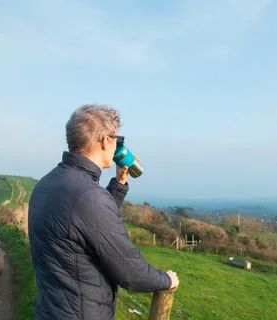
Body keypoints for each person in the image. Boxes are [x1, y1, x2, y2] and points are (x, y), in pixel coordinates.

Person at [28, 104, 179, 320]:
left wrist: (118, 183)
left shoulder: (48, 183)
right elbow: (130, 271)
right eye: (117, 138)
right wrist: (166, 280)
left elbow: (87, 227)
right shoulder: (89, 197)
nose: (117, 144)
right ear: (105, 140)